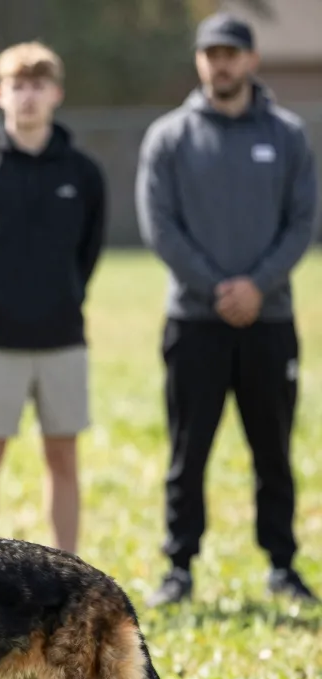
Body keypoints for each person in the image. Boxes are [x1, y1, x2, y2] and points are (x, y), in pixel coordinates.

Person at [136, 13, 319, 606]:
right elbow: (160, 226)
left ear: (251, 60)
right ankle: (180, 566)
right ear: (199, 61)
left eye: (231, 53)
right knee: (188, 452)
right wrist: (218, 287)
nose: (221, 63)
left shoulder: (288, 134)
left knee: (273, 449)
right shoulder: (170, 136)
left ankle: (283, 566)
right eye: (211, 53)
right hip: (194, 323)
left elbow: (302, 222)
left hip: (269, 322)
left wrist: (256, 287)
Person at [0, 42, 106, 554]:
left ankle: (71, 570)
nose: (28, 97)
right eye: (18, 86)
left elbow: (88, 251)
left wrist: (63, 294)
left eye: (38, 86)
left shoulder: (82, 172)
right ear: (0, 94)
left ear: (55, 94)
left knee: (63, 457)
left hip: (62, 338)